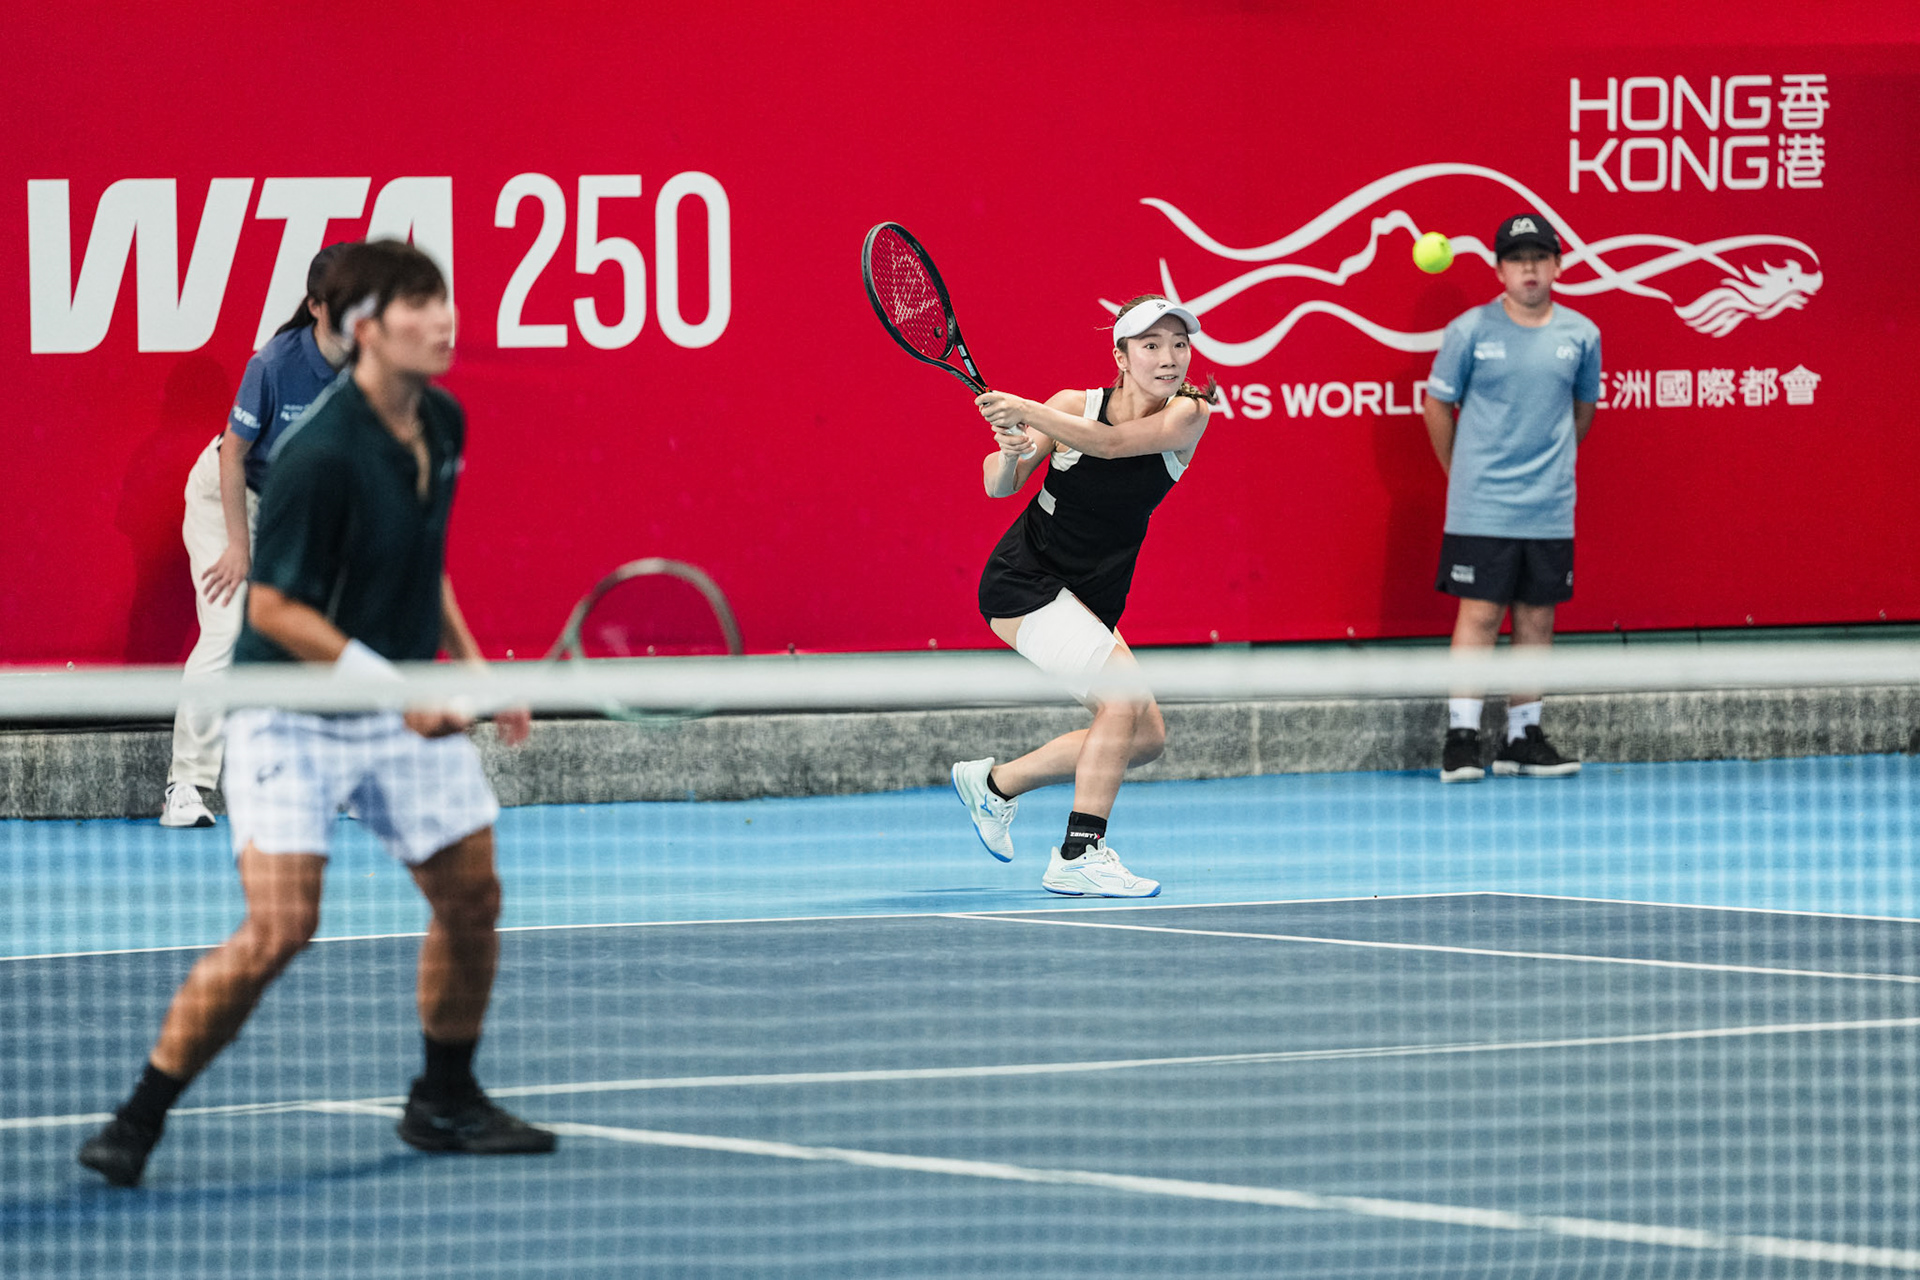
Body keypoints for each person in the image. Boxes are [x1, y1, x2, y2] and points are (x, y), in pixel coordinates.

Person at [80, 239, 554, 1188]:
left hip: (389, 703)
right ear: (364, 330)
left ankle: (443, 1098)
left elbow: (426, 563)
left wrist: (474, 668)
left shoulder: (443, 424)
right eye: (418, 307)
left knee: (473, 897)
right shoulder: (319, 457)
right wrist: (401, 692)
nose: (444, 320)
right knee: (280, 928)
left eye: (443, 301)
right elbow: (276, 611)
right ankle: (139, 1116)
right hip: (290, 711)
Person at [950, 295, 1212, 897]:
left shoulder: (1189, 414)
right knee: (1120, 701)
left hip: (1092, 596)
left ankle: (994, 786)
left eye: (1178, 344)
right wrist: (1011, 448)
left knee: (1144, 738)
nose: (1169, 357)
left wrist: (1029, 412)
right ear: (1120, 356)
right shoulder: (1071, 406)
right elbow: (1000, 486)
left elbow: (1112, 446)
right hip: (1026, 583)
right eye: (1150, 346)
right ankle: (1079, 851)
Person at [162, 245, 352, 828]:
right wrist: (240, 548)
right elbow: (233, 455)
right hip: (230, 497)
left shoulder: (373, 364)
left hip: (294, 506)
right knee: (226, 630)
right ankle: (185, 786)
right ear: (317, 306)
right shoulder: (275, 363)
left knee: (321, 637)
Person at [1422, 213, 1601, 783]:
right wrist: (1463, 474)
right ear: (1500, 269)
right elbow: (1436, 407)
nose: (1529, 268)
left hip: (1549, 506)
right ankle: (1462, 737)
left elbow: (1582, 411)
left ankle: (1522, 736)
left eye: (1539, 257)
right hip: (1482, 505)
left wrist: (1550, 466)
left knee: (1537, 620)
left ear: (1557, 264)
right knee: (1478, 615)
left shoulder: (1582, 335)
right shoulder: (1469, 331)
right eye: (1517, 258)